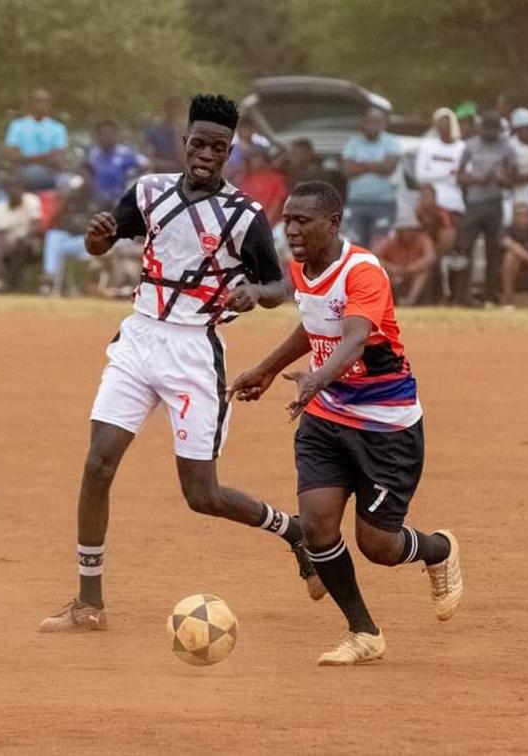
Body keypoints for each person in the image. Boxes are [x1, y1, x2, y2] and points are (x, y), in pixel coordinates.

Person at [38, 94, 324, 634]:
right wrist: (96, 239)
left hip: (194, 350)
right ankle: (88, 602)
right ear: (183, 144)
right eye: (198, 144)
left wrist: (251, 292)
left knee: (202, 495)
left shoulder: (244, 217)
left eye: (218, 147)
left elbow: (278, 284)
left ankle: (294, 532)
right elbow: (102, 242)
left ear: (229, 152)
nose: (206, 155)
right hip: (139, 337)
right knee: (98, 463)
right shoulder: (147, 192)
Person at [228, 181, 462, 665]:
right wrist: (268, 369)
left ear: (332, 224)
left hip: (386, 426)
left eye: (302, 221)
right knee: (316, 528)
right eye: (287, 219)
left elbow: (354, 337)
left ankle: (437, 551)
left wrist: (318, 377)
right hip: (326, 419)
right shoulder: (302, 269)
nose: (290, 229)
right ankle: (363, 632)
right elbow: (314, 325)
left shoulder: (363, 271)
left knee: (378, 545)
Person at [456, 108, 515, 305]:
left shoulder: (506, 148)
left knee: (493, 251)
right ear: (481, 127)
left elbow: (512, 177)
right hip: (473, 204)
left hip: (494, 202)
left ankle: (490, 295)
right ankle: (464, 296)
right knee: (466, 249)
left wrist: (500, 178)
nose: (489, 133)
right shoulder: (470, 146)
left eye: (493, 129)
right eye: (486, 128)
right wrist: (476, 180)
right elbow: (459, 175)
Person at [341, 107, 401, 248]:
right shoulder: (353, 143)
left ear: (383, 124)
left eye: (377, 121)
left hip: (384, 204)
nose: (372, 125)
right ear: (363, 123)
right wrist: (377, 165)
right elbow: (348, 170)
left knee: (379, 247)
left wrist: (360, 165)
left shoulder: (391, 142)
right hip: (356, 204)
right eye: (369, 121)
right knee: (355, 247)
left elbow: (388, 167)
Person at [40, 177, 104, 296]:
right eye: (72, 190)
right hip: (70, 241)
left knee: (56, 247)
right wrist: (63, 204)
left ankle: (50, 279)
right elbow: (55, 224)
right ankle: (50, 275)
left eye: (77, 190)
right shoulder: (68, 204)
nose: (74, 192)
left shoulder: (93, 203)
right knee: (53, 235)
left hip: (87, 244)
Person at [4, 88, 69, 191]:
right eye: (38, 101)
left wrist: (26, 158)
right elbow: (13, 156)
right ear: (30, 103)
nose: (41, 105)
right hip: (23, 174)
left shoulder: (58, 128)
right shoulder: (17, 126)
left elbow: (58, 158)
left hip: (50, 175)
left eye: (45, 101)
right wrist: (45, 157)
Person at [0, 175, 42, 292]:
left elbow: (35, 226)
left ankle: (12, 284)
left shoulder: (31, 201)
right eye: (11, 189)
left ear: (22, 189)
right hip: (4, 243)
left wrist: (17, 238)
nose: (14, 192)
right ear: (6, 191)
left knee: (22, 245)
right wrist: (8, 241)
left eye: (17, 188)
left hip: (27, 240)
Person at [415, 107, 467, 218]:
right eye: (439, 122)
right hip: (430, 205)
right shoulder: (427, 146)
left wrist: (433, 171)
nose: (442, 125)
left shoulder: (462, 148)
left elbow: (465, 175)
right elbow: (420, 176)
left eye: (446, 122)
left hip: (454, 203)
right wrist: (448, 172)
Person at [374, 216, 437, 306]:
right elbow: (373, 257)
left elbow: (430, 257)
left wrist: (409, 269)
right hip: (393, 273)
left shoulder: (423, 239)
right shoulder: (390, 241)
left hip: (413, 272)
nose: (404, 233)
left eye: (407, 230)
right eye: (401, 230)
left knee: (423, 273)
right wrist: (390, 267)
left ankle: (410, 300)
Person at [86, 120, 149, 208]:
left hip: (119, 198)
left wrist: (131, 178)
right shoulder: (94, 153)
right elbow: (88, 172)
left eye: (108, 134)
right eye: (102, 134)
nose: (105, 137)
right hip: (98, 199)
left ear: (115, 135)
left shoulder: (124, 152)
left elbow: (145, 165)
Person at [240, 147, 290, 226]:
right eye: (252, 158)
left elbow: (278, 202)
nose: (255, 160)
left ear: (264, 159)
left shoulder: (277, 177)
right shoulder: (247, 181)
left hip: (276, 223)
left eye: (257, 156)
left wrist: (268, 219)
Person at [144, 96, 187, 173]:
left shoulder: (188, 131)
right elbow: (149, 159)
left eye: (178, 107)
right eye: (173, 107)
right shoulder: (155, 131)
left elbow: (185, 159)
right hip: (162, 175)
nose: (175, 111)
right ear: (167, 109)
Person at [415, 183, 457, 255]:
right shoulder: (415, 212)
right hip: (420, 245)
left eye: (429, 196)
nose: (427, 199)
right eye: (424, 196)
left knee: (449, 233)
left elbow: (448, 230)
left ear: (435, 198)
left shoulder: (442, 212)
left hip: (437, 245)